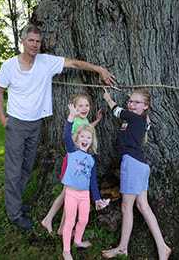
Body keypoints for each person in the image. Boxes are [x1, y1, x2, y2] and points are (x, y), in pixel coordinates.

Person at [0, 25, 115, 230]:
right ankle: (14, 214)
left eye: (38, 41)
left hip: (36, 124)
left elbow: (74, 64)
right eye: (31, 40)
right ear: (22, 41)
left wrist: (98, 69)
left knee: (26, 167)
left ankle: (16, 202)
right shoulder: (9, 66)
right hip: (16, 123)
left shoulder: (46, 62)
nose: (35, 44)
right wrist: (2, 118)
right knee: (13, 170)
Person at [101, 87, 171, 259]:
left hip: (132, 164)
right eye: (130, 101)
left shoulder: (133, 117)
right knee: (142, 206)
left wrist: (107, 98)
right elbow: (147, 124)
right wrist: (144, 117)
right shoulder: (141, 120)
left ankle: (122, 248)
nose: (132, 104)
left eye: (136, 102)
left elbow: (117, 111)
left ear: (145, 106)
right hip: (140, 166)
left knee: (127, 208)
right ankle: (162, 247)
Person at [41, 92, 102, 235]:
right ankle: (51, 220)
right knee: (67, 193)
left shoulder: (84, 121)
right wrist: (71, 117)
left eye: (86, 105)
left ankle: (57, 224)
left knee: (67, 194)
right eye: (80, 106)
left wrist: (97, 120)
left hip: (79, 162)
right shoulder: (75, 121)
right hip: (72, 163)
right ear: (74, 108)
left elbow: (88, 128)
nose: (84, 108)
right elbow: (71, 135)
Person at [61, 103, 108, 260]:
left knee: (84, 219)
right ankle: (66, 250)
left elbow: (93, 181)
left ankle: (78, 241)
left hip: (84, 194)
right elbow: (66, 135)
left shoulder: (91, 159)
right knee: (70, 220)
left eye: (89, 137)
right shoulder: (72, 150)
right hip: (71, 193)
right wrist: (71, 117)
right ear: (77, 138)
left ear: (92, 141)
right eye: (82, 136)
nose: (85, 139)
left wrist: (97, 198)